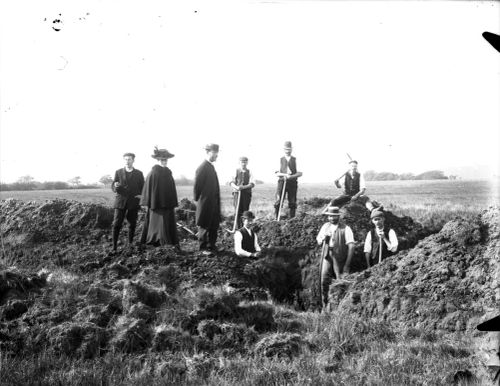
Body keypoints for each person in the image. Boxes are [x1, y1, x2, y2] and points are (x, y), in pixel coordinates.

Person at [140, 147, 180, 249]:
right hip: (156, 205)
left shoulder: (168, 172)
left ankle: (169, 242)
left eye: (166, 160)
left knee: (167, 223)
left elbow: (171, 189)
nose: (164, 162)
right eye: (162, 160)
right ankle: (156, 241)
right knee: (158, 224)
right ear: (158, 160)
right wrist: (152, 202)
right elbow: (149, 189)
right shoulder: (153, 173)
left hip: (167, 204)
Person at [316, 206, 355, 308]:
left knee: (340, 281)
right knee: (324, 279)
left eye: (334, 216)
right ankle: (325, 305)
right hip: (327, 255)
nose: (332, 218)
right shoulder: (325, 226)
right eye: (330, 216)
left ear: (338, 216)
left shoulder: (346, 229)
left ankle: (340, 306)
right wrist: (323, 238)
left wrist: (347, 264)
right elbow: (319, 240)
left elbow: (351, 247)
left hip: (340, 256)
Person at [111, 152, 144, 252]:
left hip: (133, 202)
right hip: (120, 202)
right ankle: (114, 247)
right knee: (116, 224)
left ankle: (130, 245)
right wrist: (115, 186)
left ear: (133, 160)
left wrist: (141, 196)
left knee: (132, 224)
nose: (127, 161)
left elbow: (143, 187)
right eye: (125, 159)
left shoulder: (139, 173)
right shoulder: (118, 172)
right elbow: (113, 185)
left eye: (129, 159)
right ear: (123, 160)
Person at [194, 143, 222, 255]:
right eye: (214, 152)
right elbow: (197, 186)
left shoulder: (211, 166)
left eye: (217, 153)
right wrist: (199, 200)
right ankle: (203, 248)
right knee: (204, 224)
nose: (216, 155)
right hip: (205, 202)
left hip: (214, 203)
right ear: (207, 152)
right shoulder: (202, 167)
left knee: (214, 224)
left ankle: (212, 245)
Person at [274, 141, 303, 219]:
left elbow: (300, 173)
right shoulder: (280, 159)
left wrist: (292, 176)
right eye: (286, 149)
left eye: (289, 149)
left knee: (292, 201)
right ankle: (277, 218)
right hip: (282, 182)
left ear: (292, 149)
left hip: (292, 183)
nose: (288, 151)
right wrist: (285, 175)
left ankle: (292, 219)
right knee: (278, 201)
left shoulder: (295, 159)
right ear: (284, 149)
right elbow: (277, 173)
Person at [230, 156, 255, 228]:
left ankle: (245, 228)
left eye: (245, 162)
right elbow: (231, 182)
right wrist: (236, 187)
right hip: (237, 194)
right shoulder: (236, 171)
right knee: (237, 211)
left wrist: (243, 187)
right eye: (242, 162)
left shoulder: (250, 172)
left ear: (247, 163)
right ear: (239, 162)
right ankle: (238, 227)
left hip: (246, 194)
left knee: (245, 211)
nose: (243, 164)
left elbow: (252, 183)